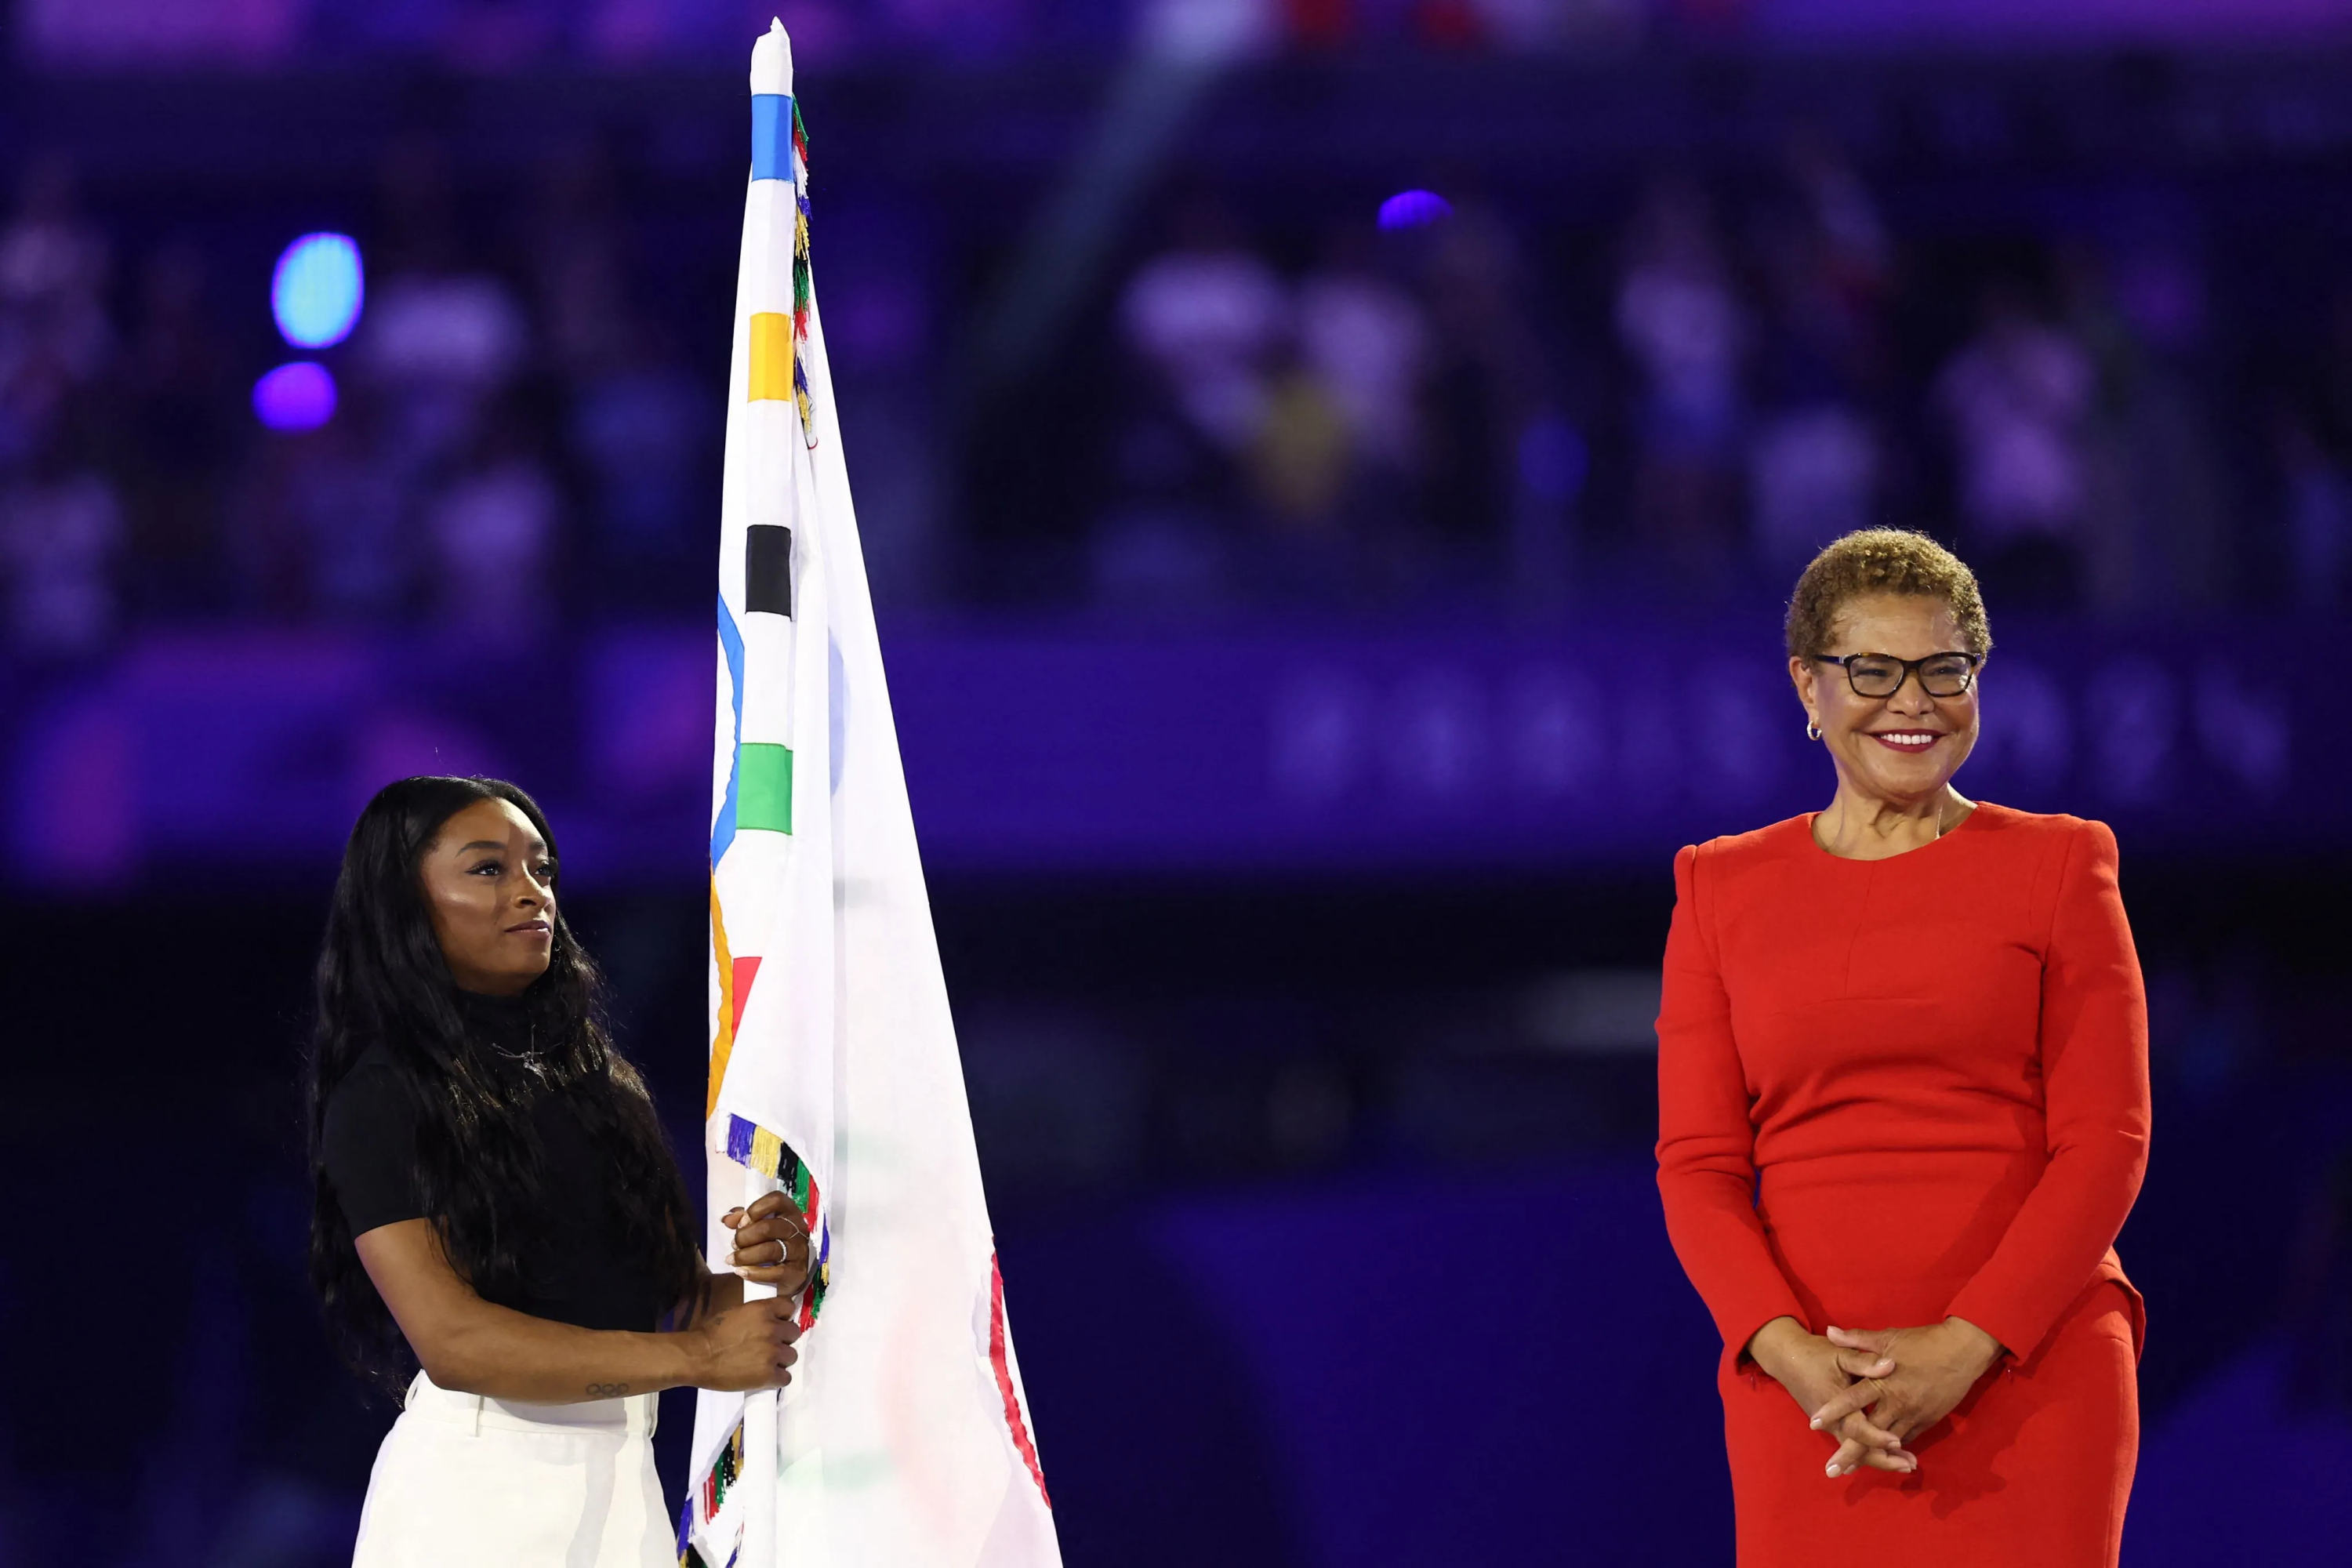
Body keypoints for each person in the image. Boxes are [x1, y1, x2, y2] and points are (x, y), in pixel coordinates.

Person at [1655, 528, 2149, 1565]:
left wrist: (1966, 1349)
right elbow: (1697, 1169)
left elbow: (2107, 1143)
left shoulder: (2064, 864)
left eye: (1944, 670)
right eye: (1873, 670)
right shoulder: (1718, 887)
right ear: (1809, 685)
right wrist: (1790, 1356)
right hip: (1810, 1399)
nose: (1912, 703)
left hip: (2030, 1371)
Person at [306, 775, 812, 1566]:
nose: (529, 892)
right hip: (477, 1493)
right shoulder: (381, 1094)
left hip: (625, 1482)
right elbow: (455, 1340)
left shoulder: (598, 1085)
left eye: (541, 869)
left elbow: (674, 1300)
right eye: (488, 869)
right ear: (403, 903)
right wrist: (699, 1360)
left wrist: (768, 1272)